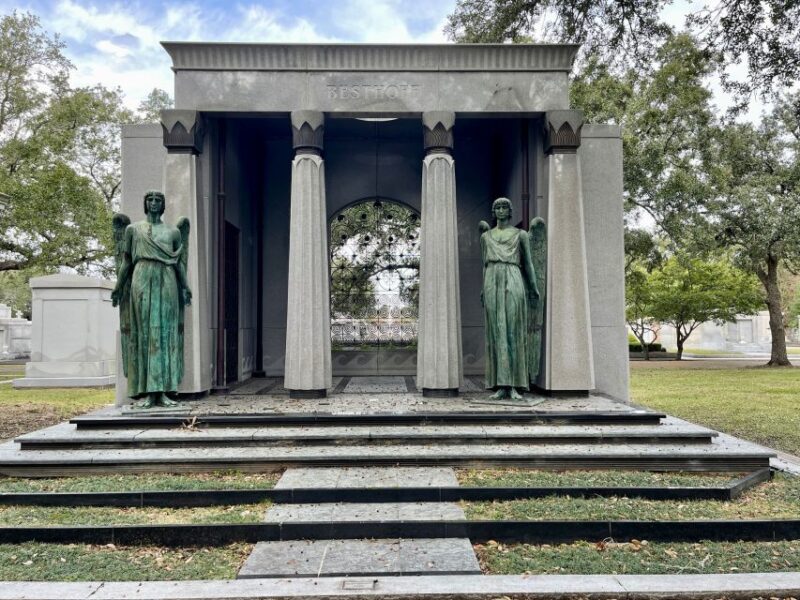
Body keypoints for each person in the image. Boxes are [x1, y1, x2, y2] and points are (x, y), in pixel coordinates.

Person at [111, 191, 191, 408]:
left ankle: (163, 391)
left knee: (166, 334)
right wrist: (118, 287)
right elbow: (126, 261)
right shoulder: (132, 230)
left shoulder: (173, 232)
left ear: (163, 205)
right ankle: (147, 392)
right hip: (142, 277)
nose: (154, 203)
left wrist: (185, 287)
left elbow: (179, 264)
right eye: (150, 200)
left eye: (158, 201)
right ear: (145, 203)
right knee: (145, 334)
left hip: (167, 280)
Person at [480, 197, 540, 400]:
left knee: (513, 331)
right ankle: (500, 384)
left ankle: (515, 384)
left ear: (510, 210)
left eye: (505, 207)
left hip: (513, 277)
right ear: (493, 211)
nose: (501, 210)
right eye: (497, 207)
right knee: (497, 332)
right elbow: (484, 265)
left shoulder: (521, 235)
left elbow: (529, 263)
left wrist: (533, 287)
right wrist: (483, 288)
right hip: (491, 280)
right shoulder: (486, 237)